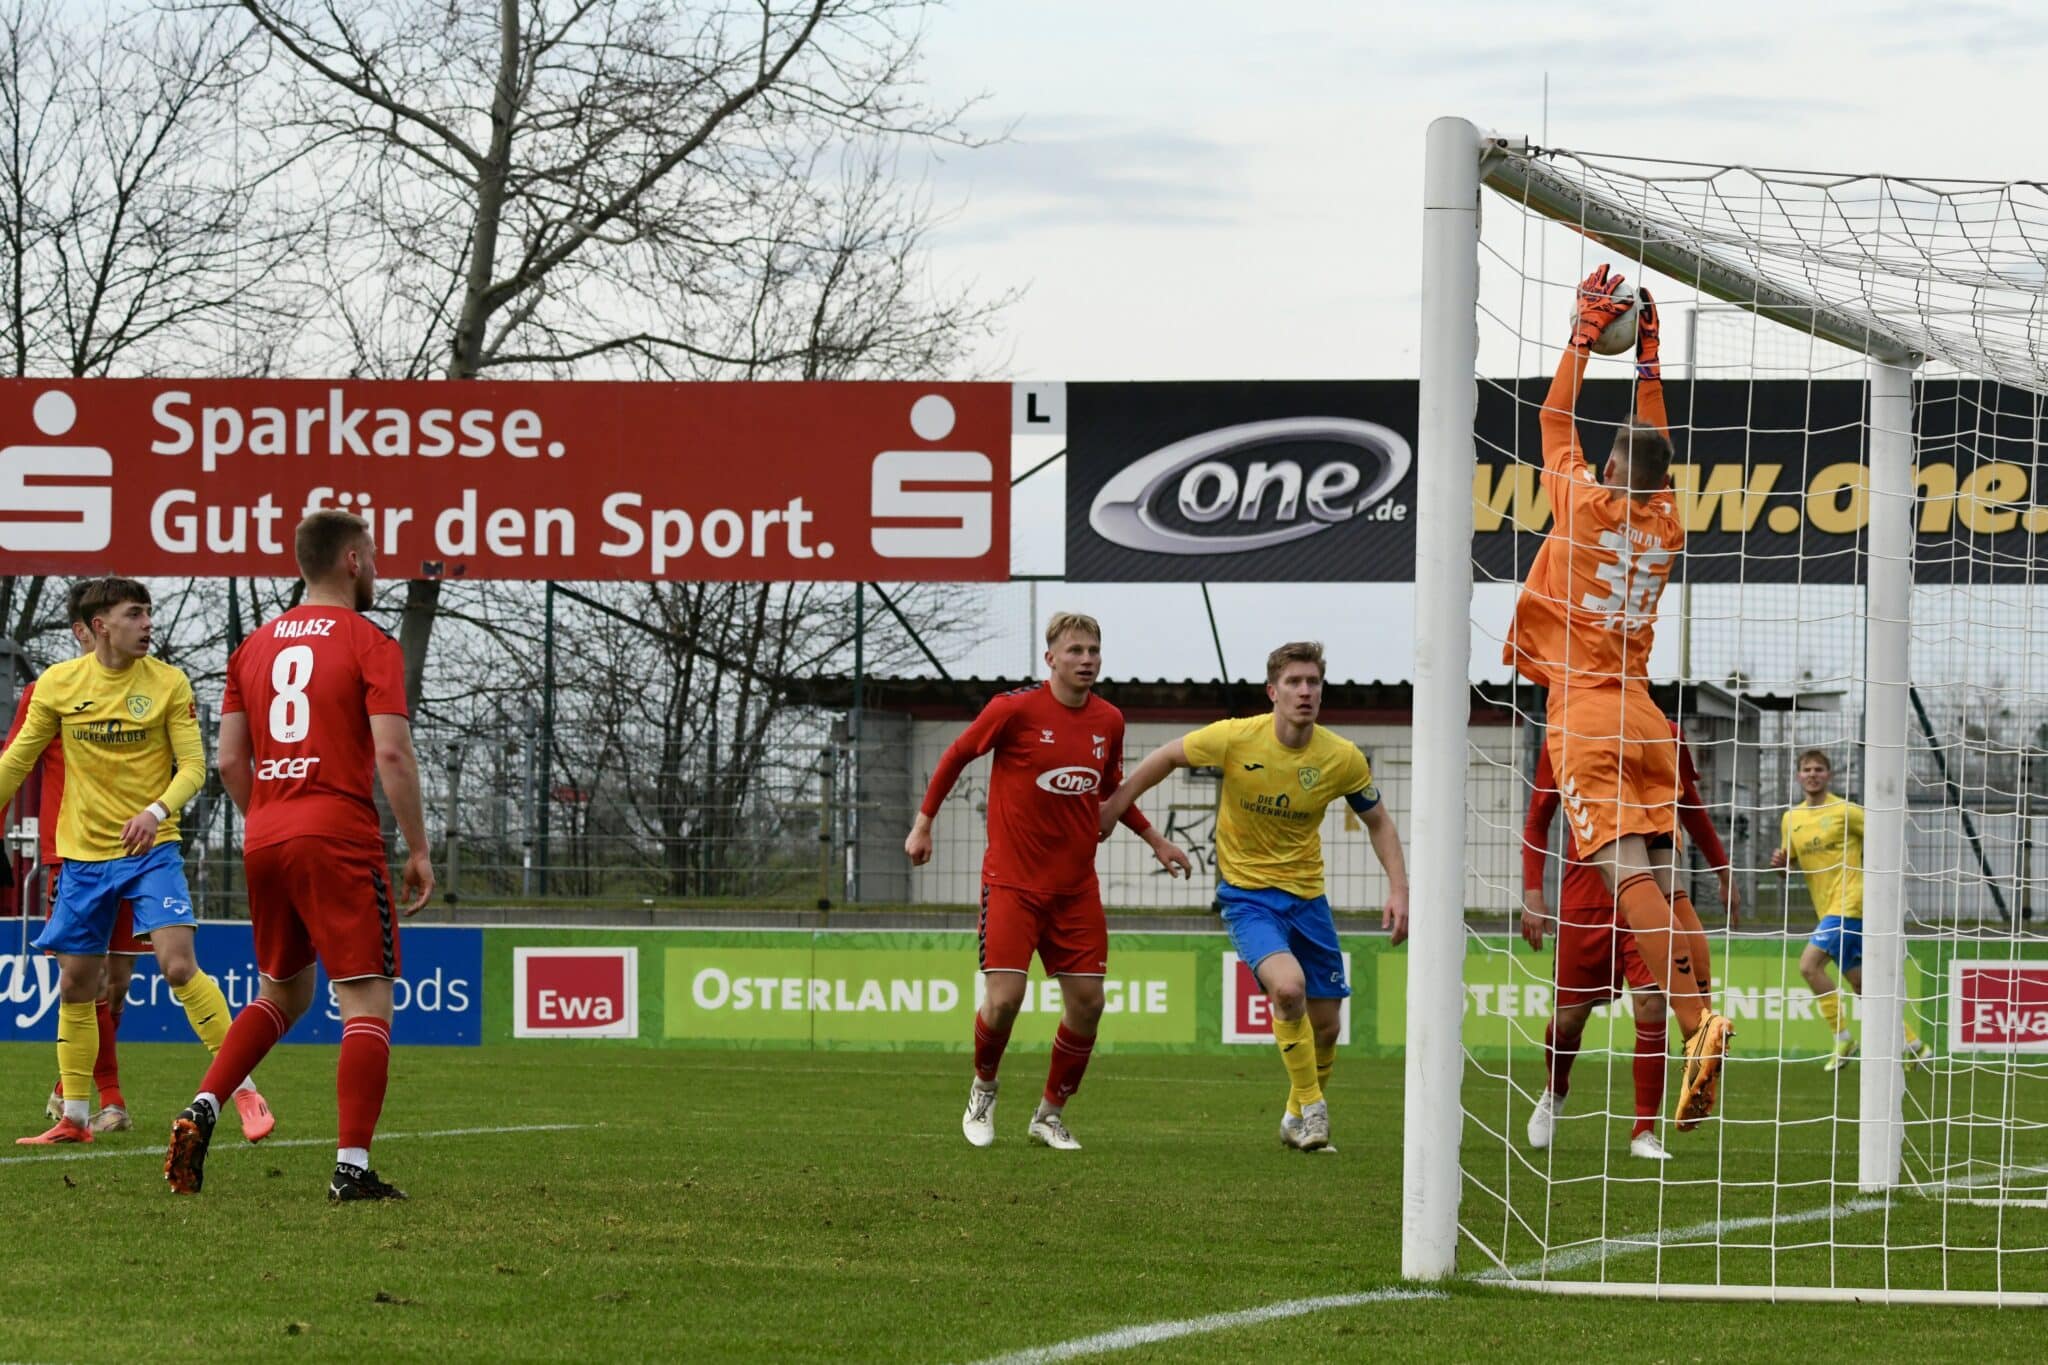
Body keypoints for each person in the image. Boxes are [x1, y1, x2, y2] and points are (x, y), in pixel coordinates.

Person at [1502, 266, 1732, 1132]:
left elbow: (1553, 419)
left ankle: (1695, 1023)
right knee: (1666, 878)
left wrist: (1578, 340)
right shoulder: (1667, 520)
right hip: (1646, 711)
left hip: (1589, 711)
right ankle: (1703, 1012)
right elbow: (1653, 441)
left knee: (1623, 872)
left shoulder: (1589, 504)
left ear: (1607, 468)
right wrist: (1647, 356)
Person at [164, 510, 433, 1200]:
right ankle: (351, 1167)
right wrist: (420, 848)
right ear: (349, 559)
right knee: (367, 996)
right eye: (371, 555)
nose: (375, 568)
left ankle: (204, 1106)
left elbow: (229, 759)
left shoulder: (250, 648)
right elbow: (394, 751)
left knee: (285, 990)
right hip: (336, 829)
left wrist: (272, 822)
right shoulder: (370, 642)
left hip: (267, 832)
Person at [1098, 641, 1410, 1153]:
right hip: (1247, 897)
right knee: (1288, 990)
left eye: (1313, 682)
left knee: (1327, 1026)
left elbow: (1378, 821)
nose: (1305, 691)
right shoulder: (1236, 738)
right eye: (1294, 682)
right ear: (1273, 692)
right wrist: (1114, 806)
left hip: (1308, 900)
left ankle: (1293, 1116)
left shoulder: (1341, 757)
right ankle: (1313, 1109)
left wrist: (1399, 889)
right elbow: (1167, 756)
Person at [906, 611, 1190, 1152]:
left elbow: (1107, 795)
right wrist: (923, 824)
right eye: (1076, 650)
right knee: (1005, 999)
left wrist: (1156, 839)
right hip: (1012, 884)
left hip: (1076, 889)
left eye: (1094, 651)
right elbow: (956, 755)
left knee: (1089, 1004)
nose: (1087, 660)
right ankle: (984, 1089)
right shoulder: (1013, 710)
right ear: (1051, 659)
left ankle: (1049, 1114)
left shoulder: (1109, 720)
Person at [0, 576, 269, 1145]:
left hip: (152, 852)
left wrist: (155, 810)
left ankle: (242, 1088)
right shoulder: (58, 683)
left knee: (177, 965)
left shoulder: (169, 683)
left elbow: (195, 767)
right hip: (82, 858)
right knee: (76, 983)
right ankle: (75, 1117)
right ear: (101, 626)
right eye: (135, 614)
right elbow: (18, 758)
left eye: (149, 613)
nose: (148, 624)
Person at [1522, 721, 1737, 1160]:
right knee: (1569, 1019)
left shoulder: (1665, 730)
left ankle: (1643, 1130)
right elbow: (1539, 817)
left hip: (1654, 889)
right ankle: (1554, 1089)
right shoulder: (1565, 730)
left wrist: (1724, 870)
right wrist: (1532, 894)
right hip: (1587, 889)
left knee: (1652, 1002)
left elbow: (1689, 806)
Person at [1770, 748, 1929, 1073]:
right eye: (1806, 769)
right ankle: (1914, 1046)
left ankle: (1843, 1038)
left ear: (1828, 775)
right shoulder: (1792, 819)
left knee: (1809, 966)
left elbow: (1885, 836)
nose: (1812, 774)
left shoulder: (1845, 811)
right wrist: (1780, 865)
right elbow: (1787, 866)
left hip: (1852, 903)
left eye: (1818, 769)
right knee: (1862, 986)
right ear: (1799, 776)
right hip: (1827, 908)